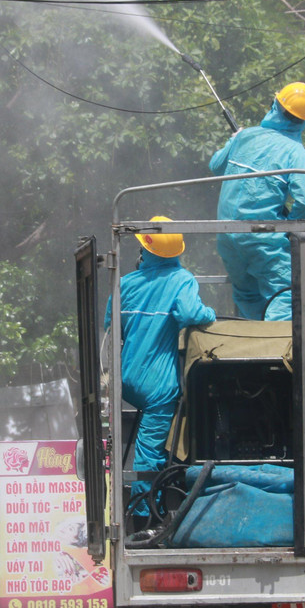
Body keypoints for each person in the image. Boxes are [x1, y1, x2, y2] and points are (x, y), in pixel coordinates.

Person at [104, 216, 216, 517]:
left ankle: (130, 510)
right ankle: (144, 517)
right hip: (158, 386)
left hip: (126, 380)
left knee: (135, 444)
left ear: (144, 250)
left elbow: (110, 326)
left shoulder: (125, 284)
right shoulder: (182, 279)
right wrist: (211, 313)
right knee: (149, 453)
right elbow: (190, 313)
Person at [209, 82, 305, 321]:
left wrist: (234, 140)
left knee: (247, 296)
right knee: (284, 295)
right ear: (304, 121)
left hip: (227, 236)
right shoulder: (295, 152)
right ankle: (275, 346)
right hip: (264, 241)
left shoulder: (246, 136)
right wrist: (291, 227)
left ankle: (253, 342)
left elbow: (216, 166)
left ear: (275, 105)